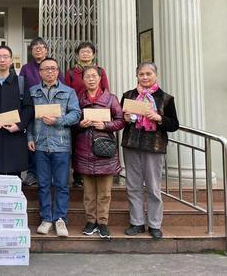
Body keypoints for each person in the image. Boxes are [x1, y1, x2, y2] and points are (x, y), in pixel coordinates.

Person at [121, 62, 179, 240]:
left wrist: (159, 118)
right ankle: (137, 222)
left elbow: (174, 125)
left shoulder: (166, 98)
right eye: (141, 74)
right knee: (133, 186)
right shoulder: (128, 96)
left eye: (148, 74)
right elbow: (121, 120)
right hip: (132, 145)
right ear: (136, 76)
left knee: (153, 188)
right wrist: (125, 117)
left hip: (154, 146)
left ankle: (155, 224)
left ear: (155, 75)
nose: (145, 77)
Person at [27, 57, 80, 237]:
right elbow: (29, 118)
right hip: (41, 144)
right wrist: (29, 137)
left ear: (58, 71)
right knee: (43, 184)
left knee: (61, 185)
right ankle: (46, 218)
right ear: (40, 72)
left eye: (53, 69)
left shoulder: (69, 92)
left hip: (61, 145)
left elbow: (76, 114)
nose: (49, 72)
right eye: (45, 69)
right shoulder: (33, 92)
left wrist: (59, 121)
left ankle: (60, 219)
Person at [74, 66, 125, 240]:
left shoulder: (111, 99)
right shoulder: (78, 99)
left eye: (94, 76)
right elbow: (73, 120)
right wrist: (80, 124)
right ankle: (90, 221)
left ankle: (102, 222)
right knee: (88, 193)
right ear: (83, 79)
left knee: (104, 192)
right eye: (87, 76)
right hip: (84, 149)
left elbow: (121, 121)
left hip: (104, 151)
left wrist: (105, 126)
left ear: (100, 78)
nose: (90, 79)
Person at [0, 46, 34, 176]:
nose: (2, 60)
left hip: (15, 137)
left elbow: (28, 108)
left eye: (6, 57)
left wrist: (19, 125)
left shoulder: (21, 82)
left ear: (11, 61)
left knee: (14, 181)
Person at [65, 41, 110, 188]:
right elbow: (67, 92)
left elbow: (106, 91)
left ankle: (97, 172)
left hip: (97, 109)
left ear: (93, 54)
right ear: (77, 54)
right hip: (78, 110)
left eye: (88, 51)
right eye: (82, 51)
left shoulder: (100, 71)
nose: (85, 53)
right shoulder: (71, 72)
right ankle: (78, 175)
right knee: (78, 142)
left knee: (96, 140)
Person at [19, 37, 63, 186]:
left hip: (51, 108)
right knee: (33, 140)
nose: (38, 49)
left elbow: (61, 86)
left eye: (41, 46)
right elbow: (21, 88)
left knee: (50, 141)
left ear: (46, 50)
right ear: (31, 51)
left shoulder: (53, 66)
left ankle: (48, 175)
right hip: (33, 107)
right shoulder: (26, 68)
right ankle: (32, 173)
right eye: (35, 47)